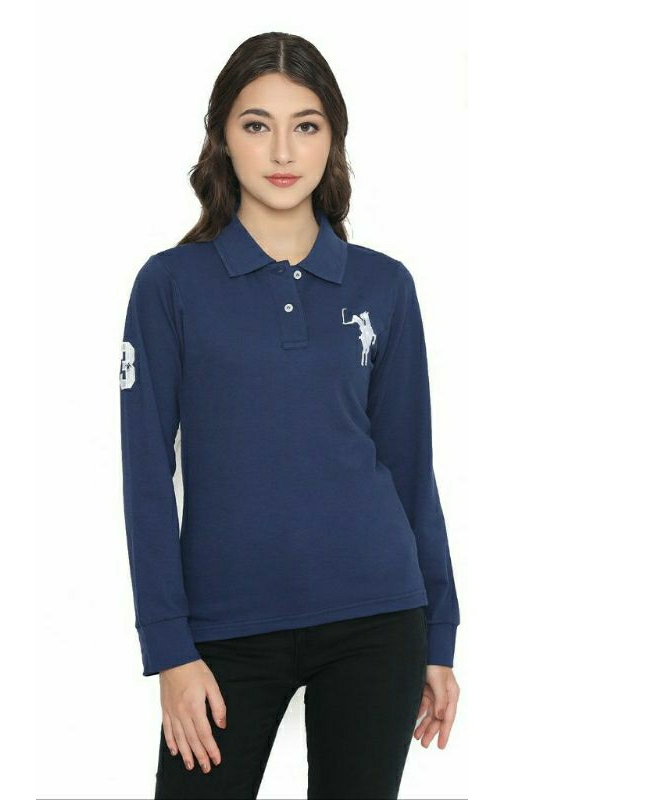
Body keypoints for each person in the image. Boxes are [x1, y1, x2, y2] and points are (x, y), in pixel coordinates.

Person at [119, 31, 461, 800]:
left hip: (378, 618)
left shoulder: (385, 286)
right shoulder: (170, 285)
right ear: (222, 137)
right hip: (223, 631)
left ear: (332, 138)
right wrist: (169, 649)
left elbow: (411, 468)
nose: (282, 150)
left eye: (305, 125)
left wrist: (439, 633)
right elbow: (145, 477)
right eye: (256, 124)